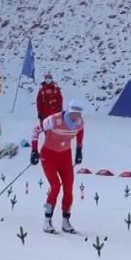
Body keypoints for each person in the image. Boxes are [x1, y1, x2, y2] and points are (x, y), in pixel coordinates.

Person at [30, 100, 85, 233]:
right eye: (73, 114)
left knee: (68, 187)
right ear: (69, 111)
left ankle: (66, 220)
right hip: (49, 155)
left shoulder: (80, 122)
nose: (75, 117)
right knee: (55, 186)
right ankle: (47, 221)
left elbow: (80, 132)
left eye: (78, 114)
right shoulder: (54, 120)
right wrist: (34, 151)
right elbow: (36, 131)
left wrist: (79, 150)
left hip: (65, 155)